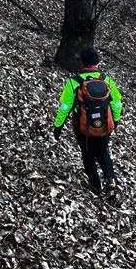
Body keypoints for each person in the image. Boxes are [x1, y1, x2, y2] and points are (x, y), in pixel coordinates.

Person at [53, 47, 123, 194]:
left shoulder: (73, 82)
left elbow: (65, 107)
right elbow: (117, 103)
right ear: (97, 62)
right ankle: (110, 179)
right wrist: (115, 121)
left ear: (82, 63)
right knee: (103, 152)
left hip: (83, 128)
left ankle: (96, 185)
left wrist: (58, 125)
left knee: (88, 154)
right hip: (104, 125)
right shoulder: (107, 80)